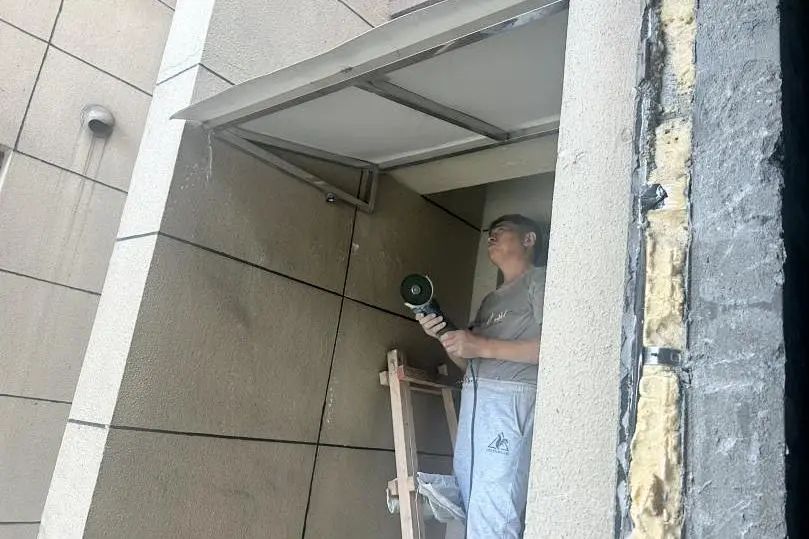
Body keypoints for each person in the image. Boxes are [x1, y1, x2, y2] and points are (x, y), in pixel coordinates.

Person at [417, 214, 546, 538]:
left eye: (500, 231)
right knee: (472, 497)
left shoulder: (540, 280)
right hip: (478, 398)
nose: (491, 237)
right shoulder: (492, 300)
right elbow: (470, 363)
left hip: (510, 398)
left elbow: (554, 349)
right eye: (489, 233)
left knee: (495, 509)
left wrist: (481, 345)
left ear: (528, 239)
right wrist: (444, 337)